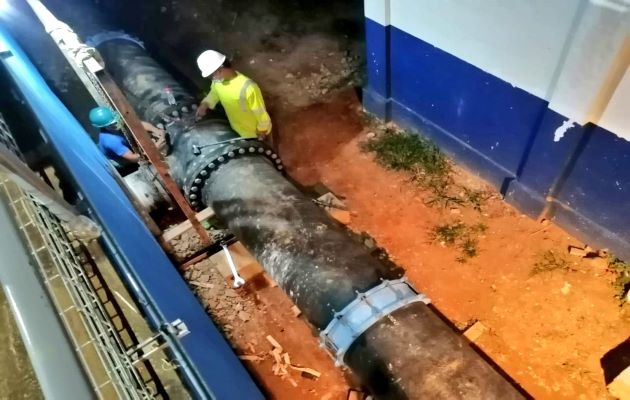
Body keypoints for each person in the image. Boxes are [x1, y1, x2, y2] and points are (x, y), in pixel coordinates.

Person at [195, 50, 272, 141]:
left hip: (255, 132)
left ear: (220, 69)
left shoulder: (248, 87)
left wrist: (262, 130)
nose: (213, 79)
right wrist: (205, 104)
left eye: (213, 75)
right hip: (238, 129)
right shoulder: (218, 83)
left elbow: (260, 112)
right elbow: (214, 93)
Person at [89, 106, 164, 168]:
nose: (117, 123)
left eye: (116, 121)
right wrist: (153, 149)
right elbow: (133, 158)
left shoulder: (116, 122)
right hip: (116, 159)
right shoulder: (111, 141)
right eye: (113, 124)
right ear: (105, 127)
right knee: (124, 165)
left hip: (119, 145)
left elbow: (138, 124)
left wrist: (155, 130)